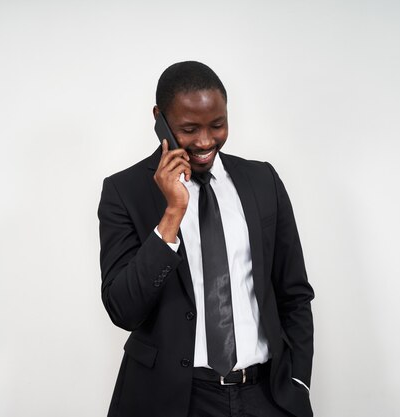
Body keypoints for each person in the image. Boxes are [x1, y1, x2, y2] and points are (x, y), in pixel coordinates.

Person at [98, 61, 314, 417]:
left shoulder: (263, 181)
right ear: (159, 118)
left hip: (265, 394)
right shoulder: (125, 191)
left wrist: (299, 381)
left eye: (217, 125)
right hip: (173, 400)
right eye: (188, 128)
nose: (204, 141)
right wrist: (171, 216)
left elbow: (294, 292)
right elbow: (123, 308)